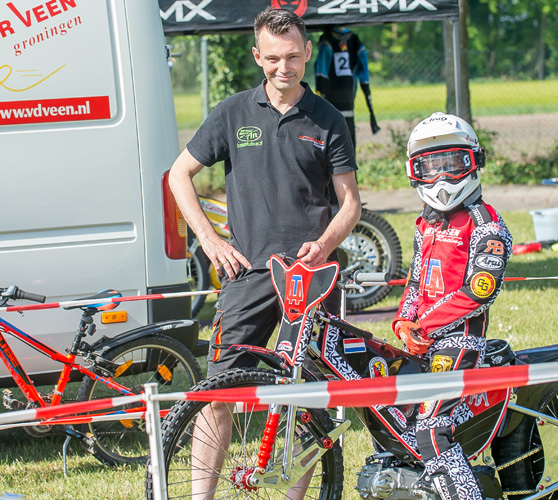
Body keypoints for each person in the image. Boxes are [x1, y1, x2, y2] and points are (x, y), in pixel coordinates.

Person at [168, 7, 361, 498]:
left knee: (305, 401)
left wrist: (325, 244)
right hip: (249, 273)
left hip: (311, 278)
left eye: (293, 56)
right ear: (258, 56)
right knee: (216, 395)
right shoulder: (231, 113)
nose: (284, 67)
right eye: (273, 58)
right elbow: (177, 175)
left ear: (307, 53)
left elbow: (351, 204)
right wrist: (211, 242)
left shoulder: (329, 119)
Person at [392, 112, 512, 500]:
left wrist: (424, 327)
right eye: (431, 166)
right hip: (421, 340)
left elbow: (480, 292)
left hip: (460, 343)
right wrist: (402, 322)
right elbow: (414, 282)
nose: (442, 177)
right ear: (415, 171)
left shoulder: (486, 223)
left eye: (453, 163)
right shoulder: (423, 225)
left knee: (431, 427)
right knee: (392, 419)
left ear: (473, 161)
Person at [314, 25, 380, 155]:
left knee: (330, 141)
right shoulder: (355, 40)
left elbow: (321, 70)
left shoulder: (327, 39)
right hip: (348, 96)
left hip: (330, 98)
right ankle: (350, 172)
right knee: (348, 140)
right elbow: (364, 72)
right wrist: (367, 98)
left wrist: (319, 94)